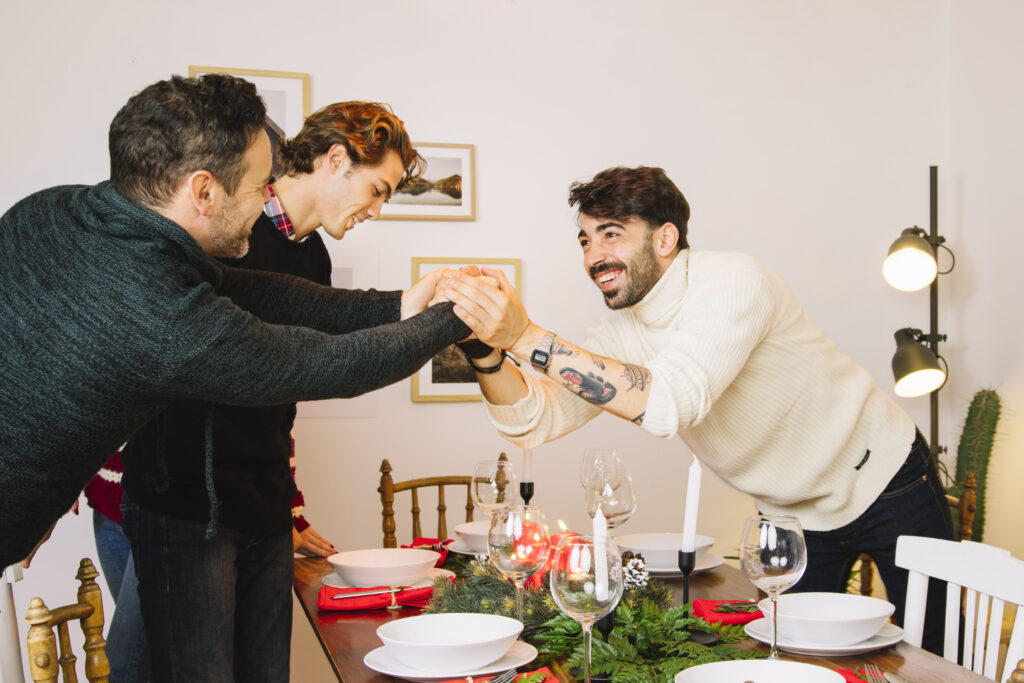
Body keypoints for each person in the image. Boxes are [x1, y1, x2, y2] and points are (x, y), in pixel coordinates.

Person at [441, 166, 953, 654]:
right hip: (790, 516)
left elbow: (670, 403)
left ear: (665, 239)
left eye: (611, 234)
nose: (594, 255)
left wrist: (526, 337)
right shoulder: (623, 332)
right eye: (585, 239)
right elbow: (533, 421)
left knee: (939, 659)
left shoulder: (734, 282)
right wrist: (487, 352)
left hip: (887, 480)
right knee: (799, 663)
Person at [0, 73, 469, 571]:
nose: (267, 198)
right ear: (204, 191)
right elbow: (327, 365)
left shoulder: (50, 209)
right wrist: (456, 318)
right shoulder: (163, 317)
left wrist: (397, 306)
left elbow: (257, 292)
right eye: (257, 185)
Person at [119, 100, 414, 682]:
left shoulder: (315, 258)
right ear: (336, 159)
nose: (377, 211)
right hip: (190, 509)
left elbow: (287, 395)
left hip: (265, 509)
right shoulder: (227, 229)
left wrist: (290, 508)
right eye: (377, 189)